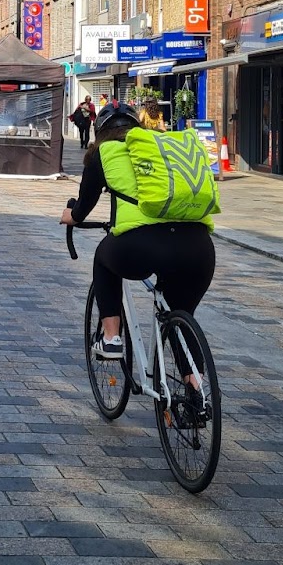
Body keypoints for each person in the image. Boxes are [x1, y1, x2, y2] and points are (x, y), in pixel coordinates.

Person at [60, 100, 215, 393]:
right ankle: (196, 392)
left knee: (103, 257)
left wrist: (72, 216)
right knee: (182, 314)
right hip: (198, 245)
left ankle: (111, 337)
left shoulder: (102, 153)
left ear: (99, 130)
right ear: (139, 125)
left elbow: (83, 207)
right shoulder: (163, 146)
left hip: (140, 245)